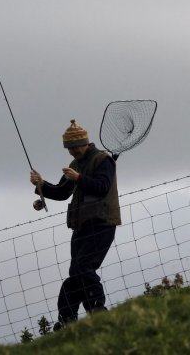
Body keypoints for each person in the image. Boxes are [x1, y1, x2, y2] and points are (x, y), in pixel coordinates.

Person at [29, 119, 121, 329]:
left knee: (83, 267)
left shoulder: (103, 160)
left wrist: (79, 178)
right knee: (76, 271)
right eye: (68, 149)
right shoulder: (75, 165)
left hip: (103, 222)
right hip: (81, 225)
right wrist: (41, 185)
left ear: (84, 144)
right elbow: (62, 193)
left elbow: (102, 187)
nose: (71, 153)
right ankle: (68, 319)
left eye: (73, 148)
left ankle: (97, 310)